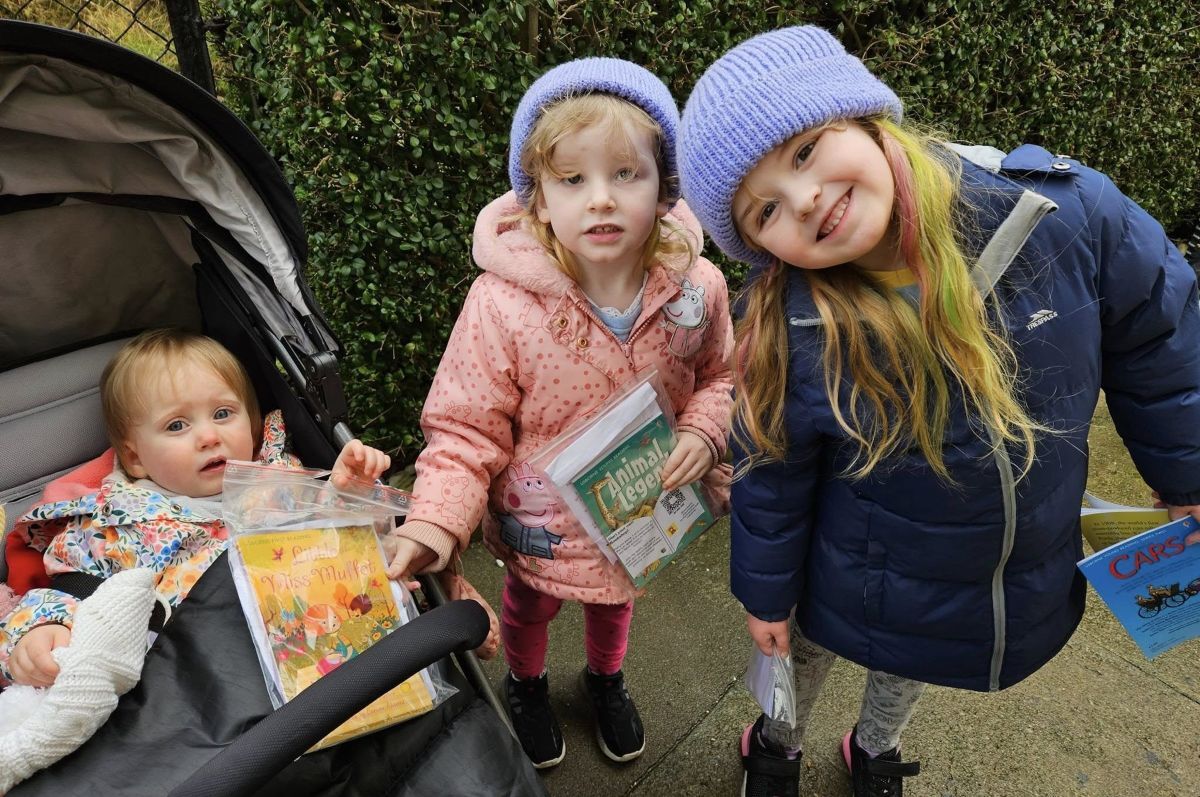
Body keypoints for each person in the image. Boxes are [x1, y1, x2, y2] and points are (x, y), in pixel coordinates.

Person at [675, 25, 1200, 797]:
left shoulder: (1066, 215)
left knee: (913, 663)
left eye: (804, 150)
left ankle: (876, 747)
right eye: (765, 213)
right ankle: (776, 738)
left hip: (975, 567)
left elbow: (1162, 335)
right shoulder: (792, 329)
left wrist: (1186, 467)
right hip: (855, 571)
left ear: (861, 116)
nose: (806, 198)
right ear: (760, 247)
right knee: (801, 654)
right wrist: (764, 593)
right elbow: (770, 471)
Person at [389, 58, 734, 768]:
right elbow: (463, 427)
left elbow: (723, 374)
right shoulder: (502, 304)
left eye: (625, 174)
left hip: (640, 512)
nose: (600, 200)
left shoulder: (697, 288)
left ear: (666, 187)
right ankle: (527, 683)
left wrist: (704, 425)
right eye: (572, 180)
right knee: (527, 606)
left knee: (616, 601)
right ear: (536, 199)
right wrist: (435, 518)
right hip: (539, 518)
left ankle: (606, 678)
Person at [0, 328, 391, 688]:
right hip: (193, 680)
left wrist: (348, 495)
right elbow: (70, 589)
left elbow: (337, 549)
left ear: (253, 424)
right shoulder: (115, 523)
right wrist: (41, 629)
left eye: (223, 414)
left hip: (311, 653)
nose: (208, 436)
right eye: (176, 426)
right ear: (135, 458)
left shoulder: (282, 479)